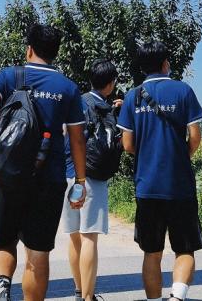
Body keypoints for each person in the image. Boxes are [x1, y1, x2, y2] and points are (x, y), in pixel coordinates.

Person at [0, 23, 88, 301]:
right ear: (56, 52)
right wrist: (80, 181)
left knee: (4, 240)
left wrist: (0, 128)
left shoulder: (9, 76)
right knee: (38, 253)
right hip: (49, 179)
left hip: (9, 174)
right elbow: (77, 139)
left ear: (29, 49)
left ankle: (2, 286)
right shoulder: (67, 88)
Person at [117, 41, 202, 301]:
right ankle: (177, 296)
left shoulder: (133, 96)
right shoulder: (183, 90)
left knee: (151, 252)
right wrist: (181, 155)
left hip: (147, 185)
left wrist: (148, 154)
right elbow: (195, 137)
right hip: (179, 185)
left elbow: (127, 144)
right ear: (166, 63)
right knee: (185, 249)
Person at [62, 59, 123, 301]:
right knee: (89, 238)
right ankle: (88, 297)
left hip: (68, 175)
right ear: (110, 83)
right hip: (91, 178)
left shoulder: (74, 102)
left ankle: (79, 291)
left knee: (74, 235)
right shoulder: (105, 108)